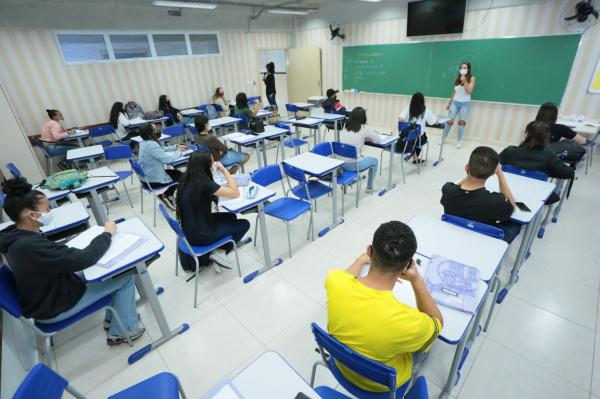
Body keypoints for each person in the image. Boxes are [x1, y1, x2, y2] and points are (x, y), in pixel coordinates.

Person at [0, 177, 145, 345]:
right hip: (52, 307)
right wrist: (107, 234)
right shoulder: (29, 245)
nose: (50, 212)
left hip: (47, 293)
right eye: (47, 209)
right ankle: (124, 330)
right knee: (125, 278)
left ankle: (117, 319)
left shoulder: (13, 234)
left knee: (105, 274)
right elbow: (85, 258)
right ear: (31, 215)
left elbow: (59, 258)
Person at [325, 221, 443, 394]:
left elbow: (346, 275)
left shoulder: (334, 281)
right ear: (406, 267)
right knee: (427, 344)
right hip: (382, 388)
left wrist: (360, 260)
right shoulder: (409, 322)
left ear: (369, 251)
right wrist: (417, 280)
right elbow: (437, 323)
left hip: (342, 367)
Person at [175, 151, 250, 269]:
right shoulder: (204, 183)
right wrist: (225, 170)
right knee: (245, 224)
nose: (214, 163)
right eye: (212, 161)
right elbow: (235, 192)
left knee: (231, 216)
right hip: (202, 235)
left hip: (189, 231)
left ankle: (221, 246)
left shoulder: (186, 179)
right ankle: (220, 252)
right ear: (206, 166)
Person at [440, 146, 521, 243]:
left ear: (466, 167)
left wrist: (470, 172)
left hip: (453, 236)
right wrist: (500, 174)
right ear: (492, 173)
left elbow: (456, 186)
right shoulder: (496, 201)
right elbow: (512, 207)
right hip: (482, 241)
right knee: (515, 225)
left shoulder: (447, 189)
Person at [499, 121, 574, 204]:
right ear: (546, 137)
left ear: (526, 134)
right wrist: (548, 172)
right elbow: (569, 173)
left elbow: (494, 164)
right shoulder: (549, 156)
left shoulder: (510, 151)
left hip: (507, 189)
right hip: (535, 193)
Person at [138, 124, 187, 210]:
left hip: (147, 177)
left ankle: (167, 195)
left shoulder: (144, 142)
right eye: (155, 129)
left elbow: (160, 149)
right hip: (153, 180)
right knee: (183, 177)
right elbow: (168, 160)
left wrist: (175, 147)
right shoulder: (151, 145)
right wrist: (178, 151)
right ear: (150, 134)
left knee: (178, 174)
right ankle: (167, 195)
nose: (158, 130)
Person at [339, 107, 384, 193]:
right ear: (363, 117)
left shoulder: (345, 125)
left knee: (361, 156)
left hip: (340, 163)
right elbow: (378, 140)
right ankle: (369, 188)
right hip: (353, 164)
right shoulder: (364, 128)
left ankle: (349, 180)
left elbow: (354, 137)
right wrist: (370, 136)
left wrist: (365, 137)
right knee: (374, 161)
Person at [442, 62, 476, 149]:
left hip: (465, 104)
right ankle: (444, 138)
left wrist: (465, 82)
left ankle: (459, 141)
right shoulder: (457, 79)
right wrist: (449, 103)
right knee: (449, 121)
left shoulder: (472, 78)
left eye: (465, 68)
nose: (463, 69)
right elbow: (454, 92)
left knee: (461, 123)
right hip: (455, 102)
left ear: (468, 69)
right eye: (461, 67)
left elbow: (469, 91)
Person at [398, 92, 437, 164]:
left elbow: (400, 118)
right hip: (418, 140)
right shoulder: (426, 110)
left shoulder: (407, 108)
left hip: (406, 139)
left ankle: (413, 154)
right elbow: (432, 122)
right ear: (423, 101)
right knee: (423, 137)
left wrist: (402, 123)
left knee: (412, 136)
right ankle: (415, 157)